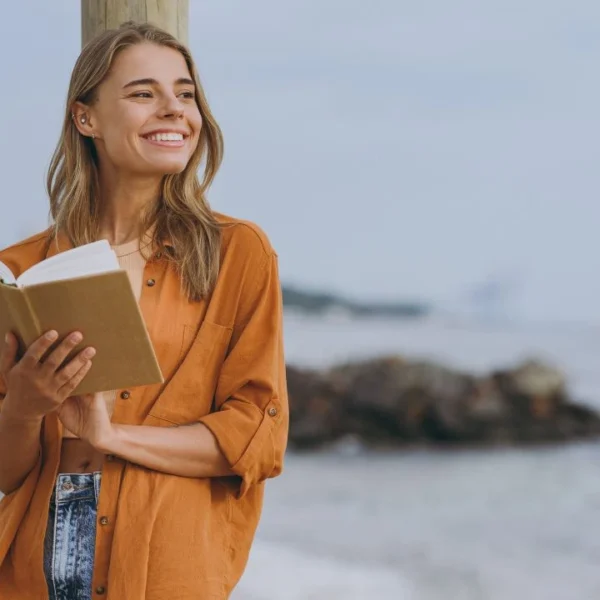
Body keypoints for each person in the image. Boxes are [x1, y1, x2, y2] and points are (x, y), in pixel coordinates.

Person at [0, 21, 288, 600]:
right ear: (86, 119)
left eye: (185, 94)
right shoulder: (21, 269)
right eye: (142, 94)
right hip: (31, 569)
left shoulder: (238, 254)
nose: (174, 110)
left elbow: (256, 438)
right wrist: (24, 408)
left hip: (167, 570)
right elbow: (7, 474)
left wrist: (111, 435)